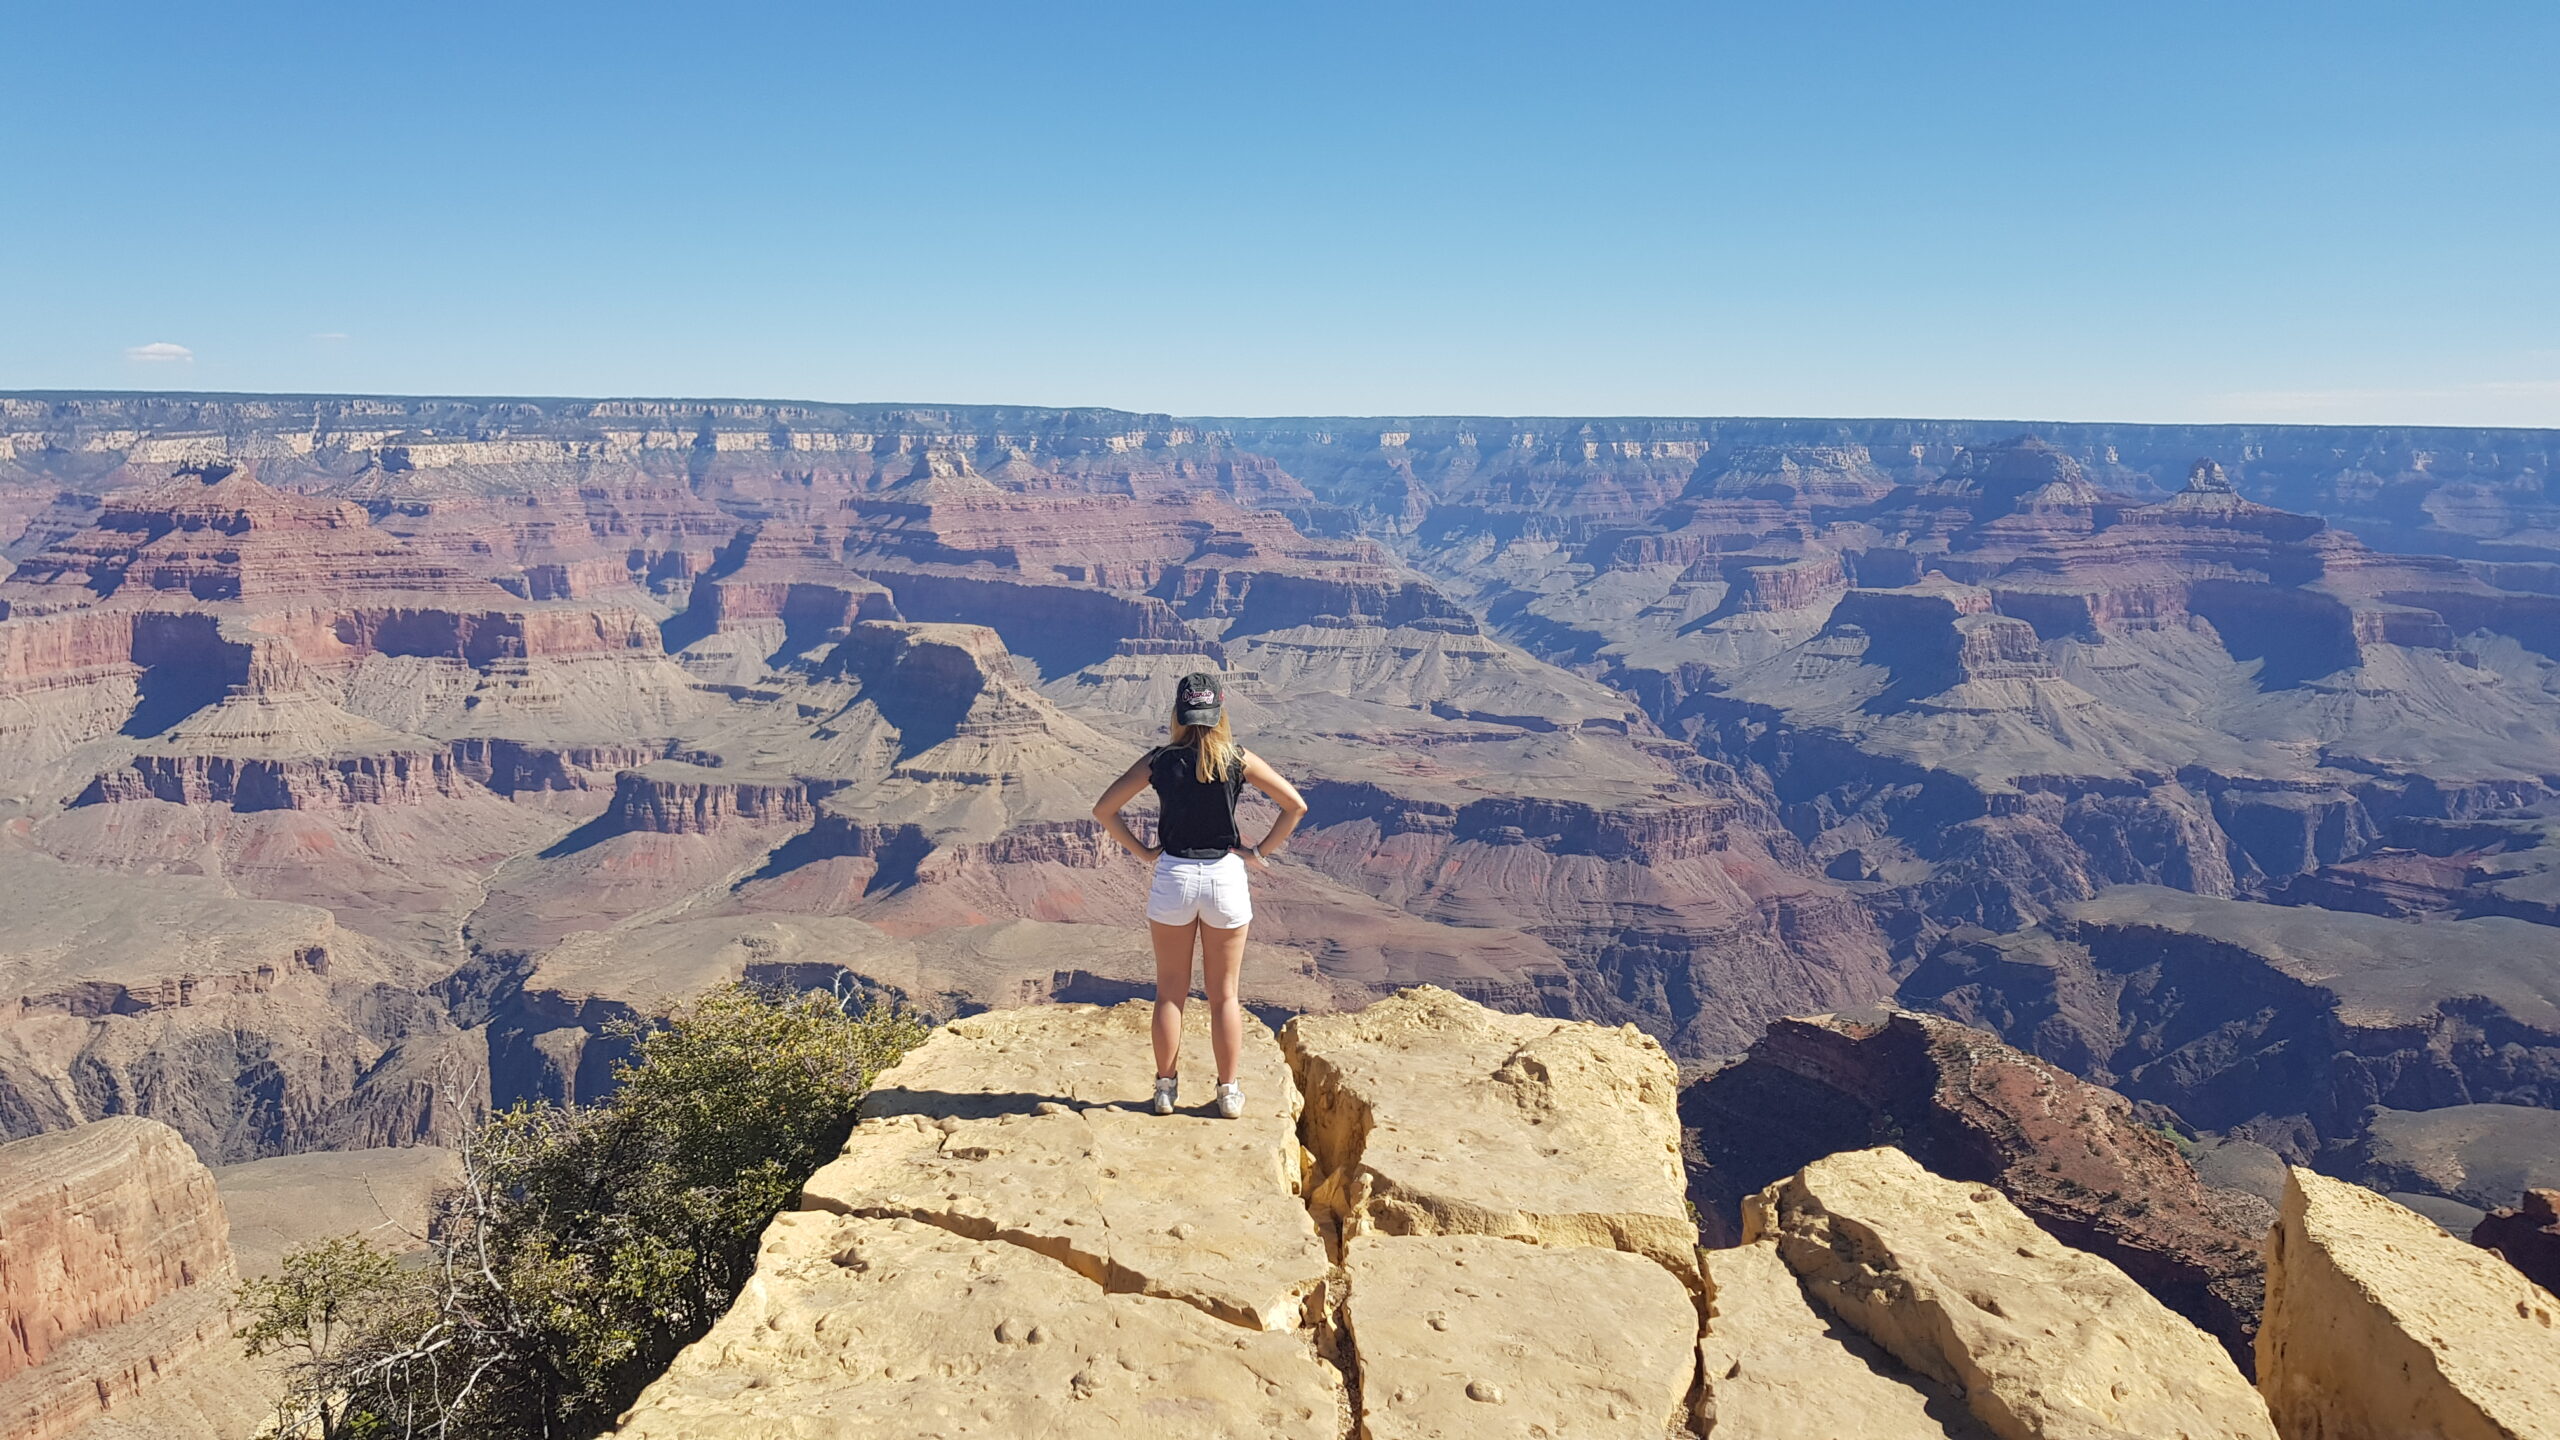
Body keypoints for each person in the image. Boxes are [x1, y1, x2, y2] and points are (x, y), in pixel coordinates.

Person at [1091, 671, 1307, 1118]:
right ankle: (1228, 1092)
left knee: (1170, 991)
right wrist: (1258, 852)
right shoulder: (1238, 758)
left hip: (1174, 876)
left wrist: (1143, 852)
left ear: (1180, 714)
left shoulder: (1159, 760)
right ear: (1219, 712)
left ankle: (1165, 1090)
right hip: (1225, 878)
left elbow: (1104, 809)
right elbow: (1295, 805)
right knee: (1224, 994)